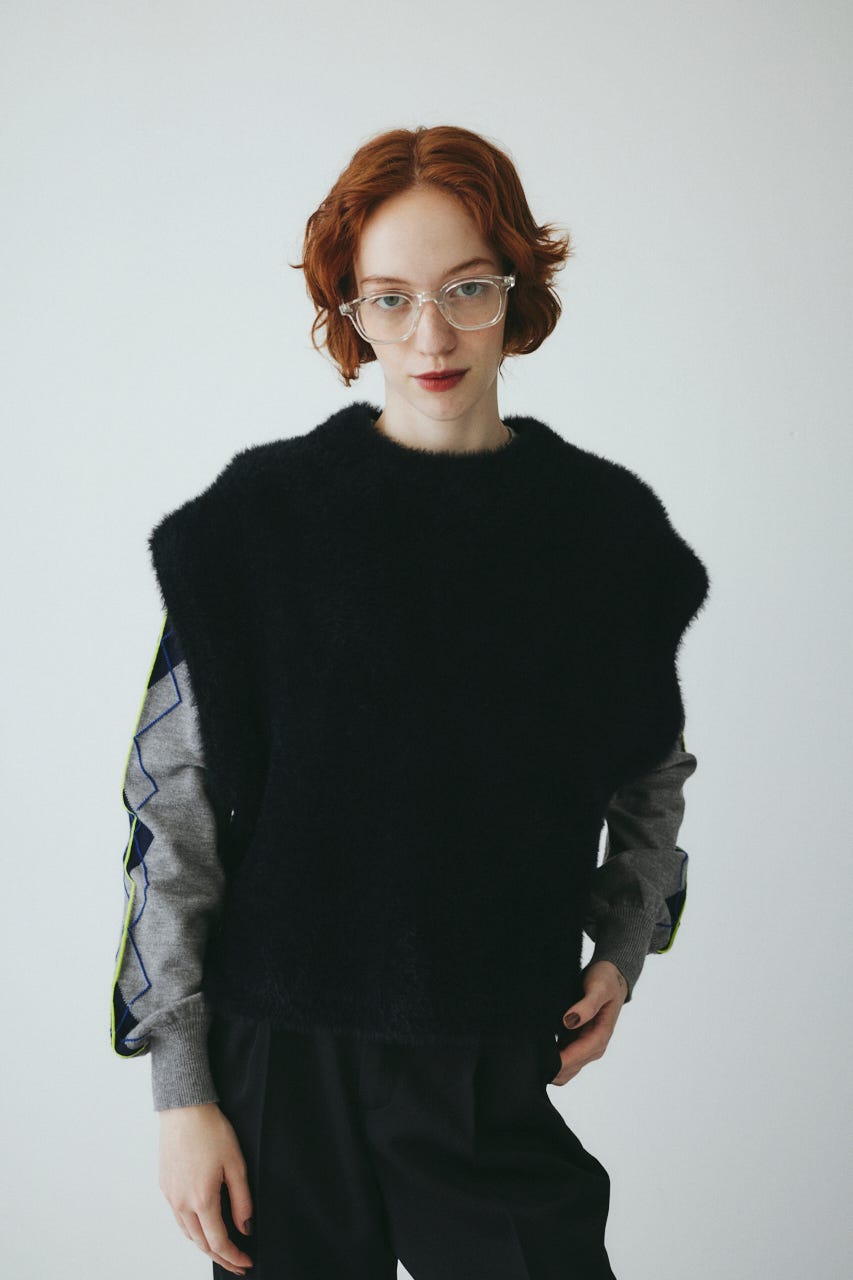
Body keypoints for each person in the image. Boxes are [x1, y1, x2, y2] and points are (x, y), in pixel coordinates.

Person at [109, 124, 710, 1279]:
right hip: (279, 1060)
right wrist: (181, 1090)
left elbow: (650, 761)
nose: (430, 335)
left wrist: (624, 942)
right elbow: (170, 805)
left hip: (491, 1048)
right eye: (389, 299)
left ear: (515, 288)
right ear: (351, 310)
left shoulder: (598, 532)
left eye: (466, 289)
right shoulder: (260, 524)